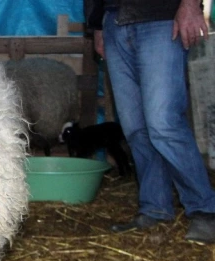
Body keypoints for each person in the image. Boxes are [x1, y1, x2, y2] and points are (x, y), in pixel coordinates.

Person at [84, 0, 215, 243]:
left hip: (160, 16)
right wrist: (96, 25)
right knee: (135, 128)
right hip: (114, 19)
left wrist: (190, 5)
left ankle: (206, 210)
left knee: (163, 122)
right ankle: (155, 208)